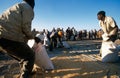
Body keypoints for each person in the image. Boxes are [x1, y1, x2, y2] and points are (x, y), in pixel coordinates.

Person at [0, 0, 35, 78]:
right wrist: (33, 37)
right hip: (9, 37)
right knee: (30, 56)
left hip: (2, 37)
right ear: (32, 5)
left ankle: (25, 71)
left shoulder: (16, 7)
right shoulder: (28, 8)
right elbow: (26, 26)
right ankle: (25, 75)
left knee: (22, 57)